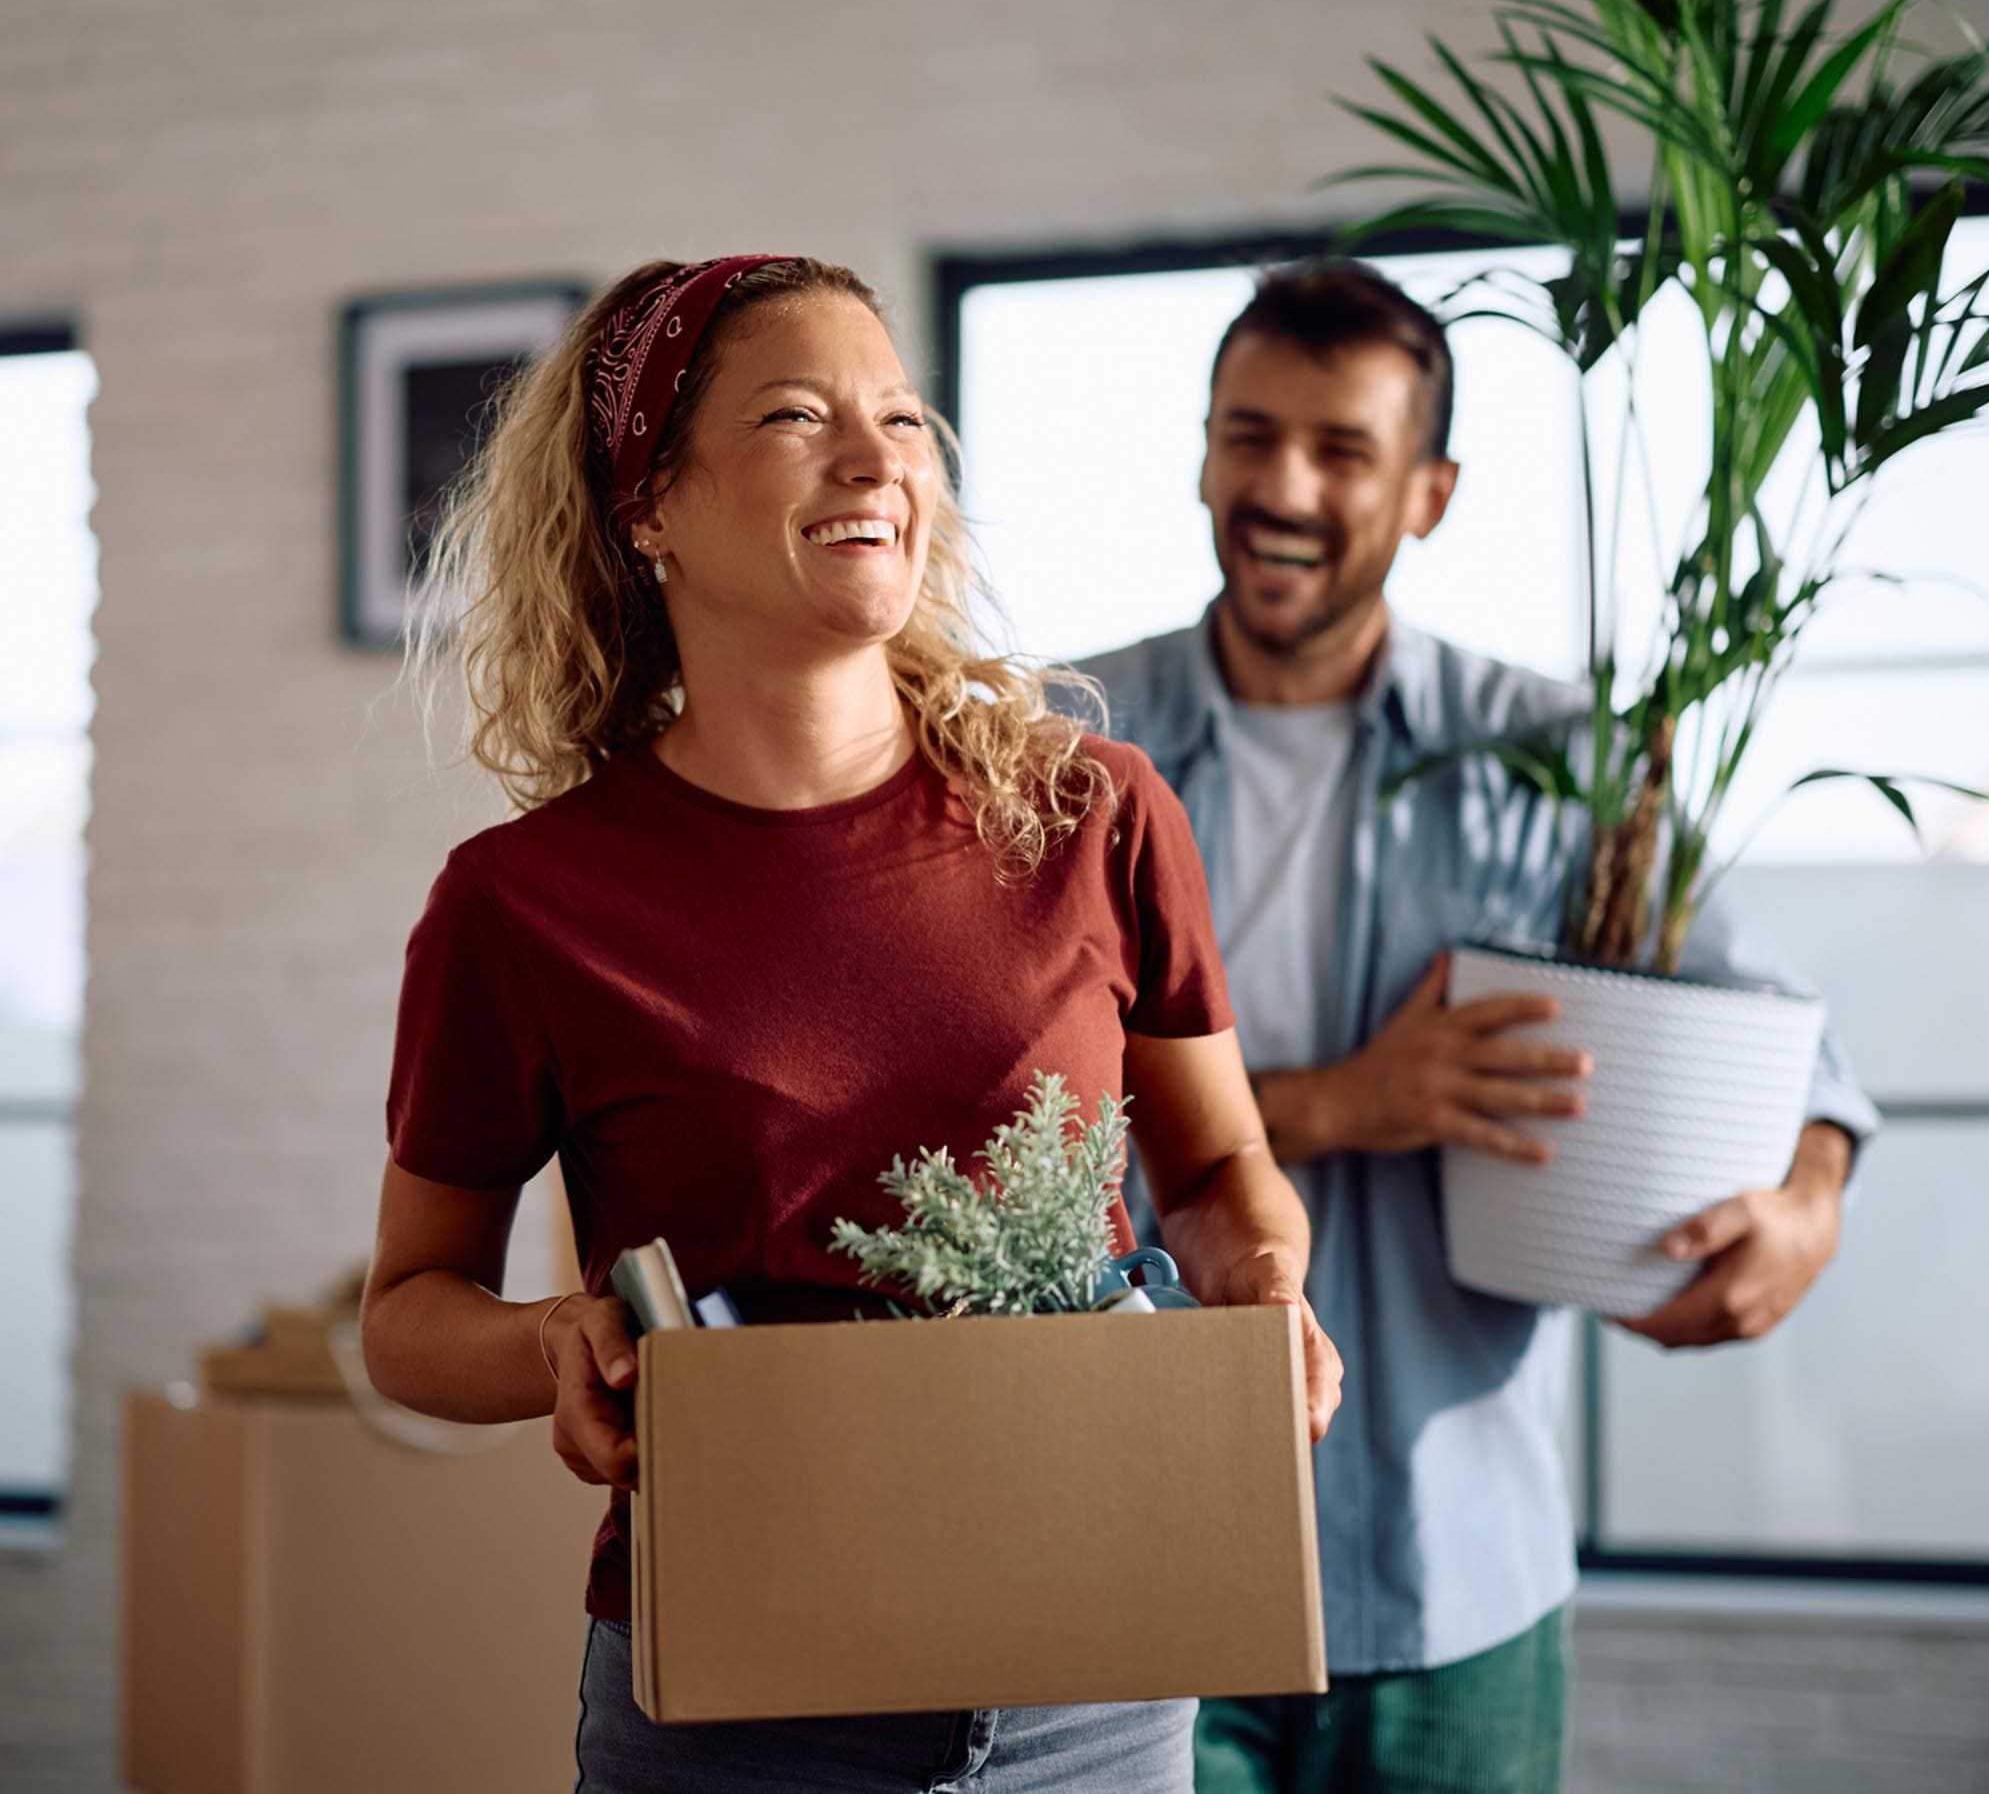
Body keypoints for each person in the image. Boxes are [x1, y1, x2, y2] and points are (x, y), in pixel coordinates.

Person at [356, 253, 1342, 1794]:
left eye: (903, 415)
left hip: (1098, 1670)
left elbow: (1216, 1178)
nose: (880, 457)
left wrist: (1264, 1288)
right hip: (738, 1709)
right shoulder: (523, 905)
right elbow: (409, 1310)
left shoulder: (1096, 817)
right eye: (799, 416)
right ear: (649, 509)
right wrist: (553, 1340)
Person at [1075, 261, 1878, 1794]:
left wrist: (1806, 1200)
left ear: (1431, 493)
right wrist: (1338, 1103)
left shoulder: (1556, 756)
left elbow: (1786, 1041)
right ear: (1199, 454)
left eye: (1341, 449)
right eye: (1248, 437)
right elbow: (988, 1114)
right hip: (1144, 1561)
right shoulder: (1068, 744)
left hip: (1465, 1577)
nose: (1282, 486)